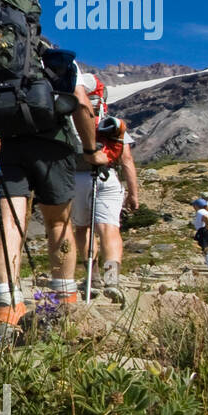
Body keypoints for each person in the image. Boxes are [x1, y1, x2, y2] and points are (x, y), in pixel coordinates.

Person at [0, 57, 107, 332]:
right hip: (52, 144)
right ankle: (63, 301)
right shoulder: (54, 59)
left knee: (10, 223)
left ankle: (7, 306)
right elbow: (82, 104)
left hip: (5, 143)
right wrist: (90, 151)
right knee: (58, 223)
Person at [72, 75, 139, 303]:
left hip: (77, 177)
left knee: (82, 228)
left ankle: (93, 277)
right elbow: (127, 160)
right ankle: (113, 279)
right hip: (107, 176)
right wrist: (133, 193)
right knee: (109, 229)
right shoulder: (111, 123)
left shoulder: (71, 119)